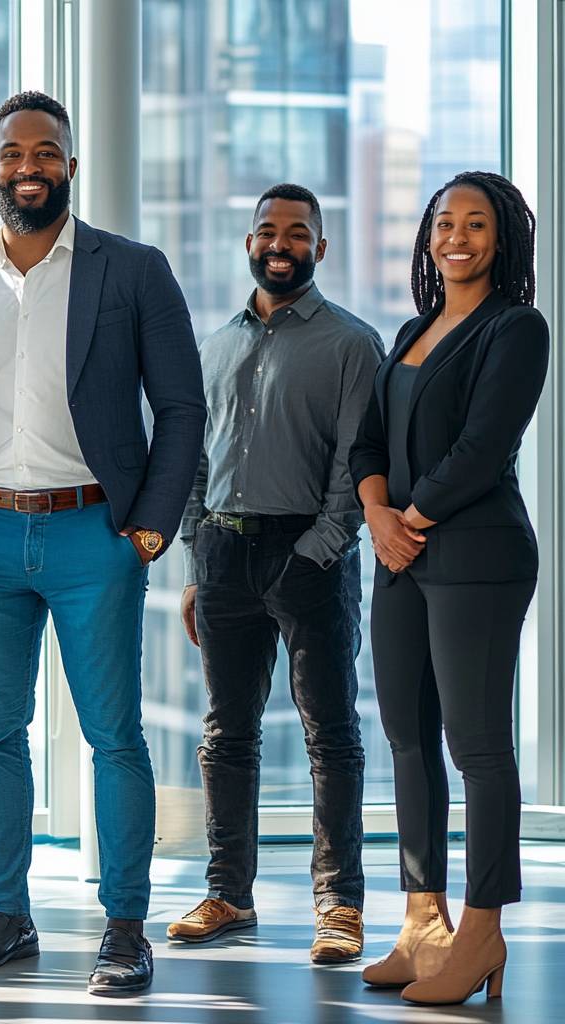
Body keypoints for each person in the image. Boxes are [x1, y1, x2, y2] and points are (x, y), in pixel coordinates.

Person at [0, 91, 205, 996]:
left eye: (47, 150)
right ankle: (7, 914)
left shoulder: (134, 270)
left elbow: (184, 407)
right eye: (12, 151)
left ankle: (124, 927)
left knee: (115, 737)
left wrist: (149, 527)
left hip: (94, 535)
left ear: (71, 164)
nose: (28, 163)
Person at [350, 171, 548, 1006]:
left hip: (476, 554)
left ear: (501, 237)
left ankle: (483, 929)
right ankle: (421, 922)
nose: (456, 235)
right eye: (443, 222)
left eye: (475, 222)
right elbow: (366, 439)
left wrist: (408, 518)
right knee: (406, 738)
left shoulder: (517, 328)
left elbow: (482, 445)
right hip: (400, 553)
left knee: (477, 747)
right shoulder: (413, 327)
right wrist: (375, 514)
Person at [171, 184, 382, 963]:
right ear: (250, 244)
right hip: (224, 553)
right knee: (227, 733)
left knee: (331, 733)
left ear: (320, 249)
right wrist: (198, 560)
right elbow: (196, 462)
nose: (280, 242)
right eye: (267, 230)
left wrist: (317, 553)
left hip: (311, 559)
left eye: (298, 231)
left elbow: (357, 465)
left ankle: (340, 905)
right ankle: (228, 893)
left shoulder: (352, 345)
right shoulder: (216, 344)